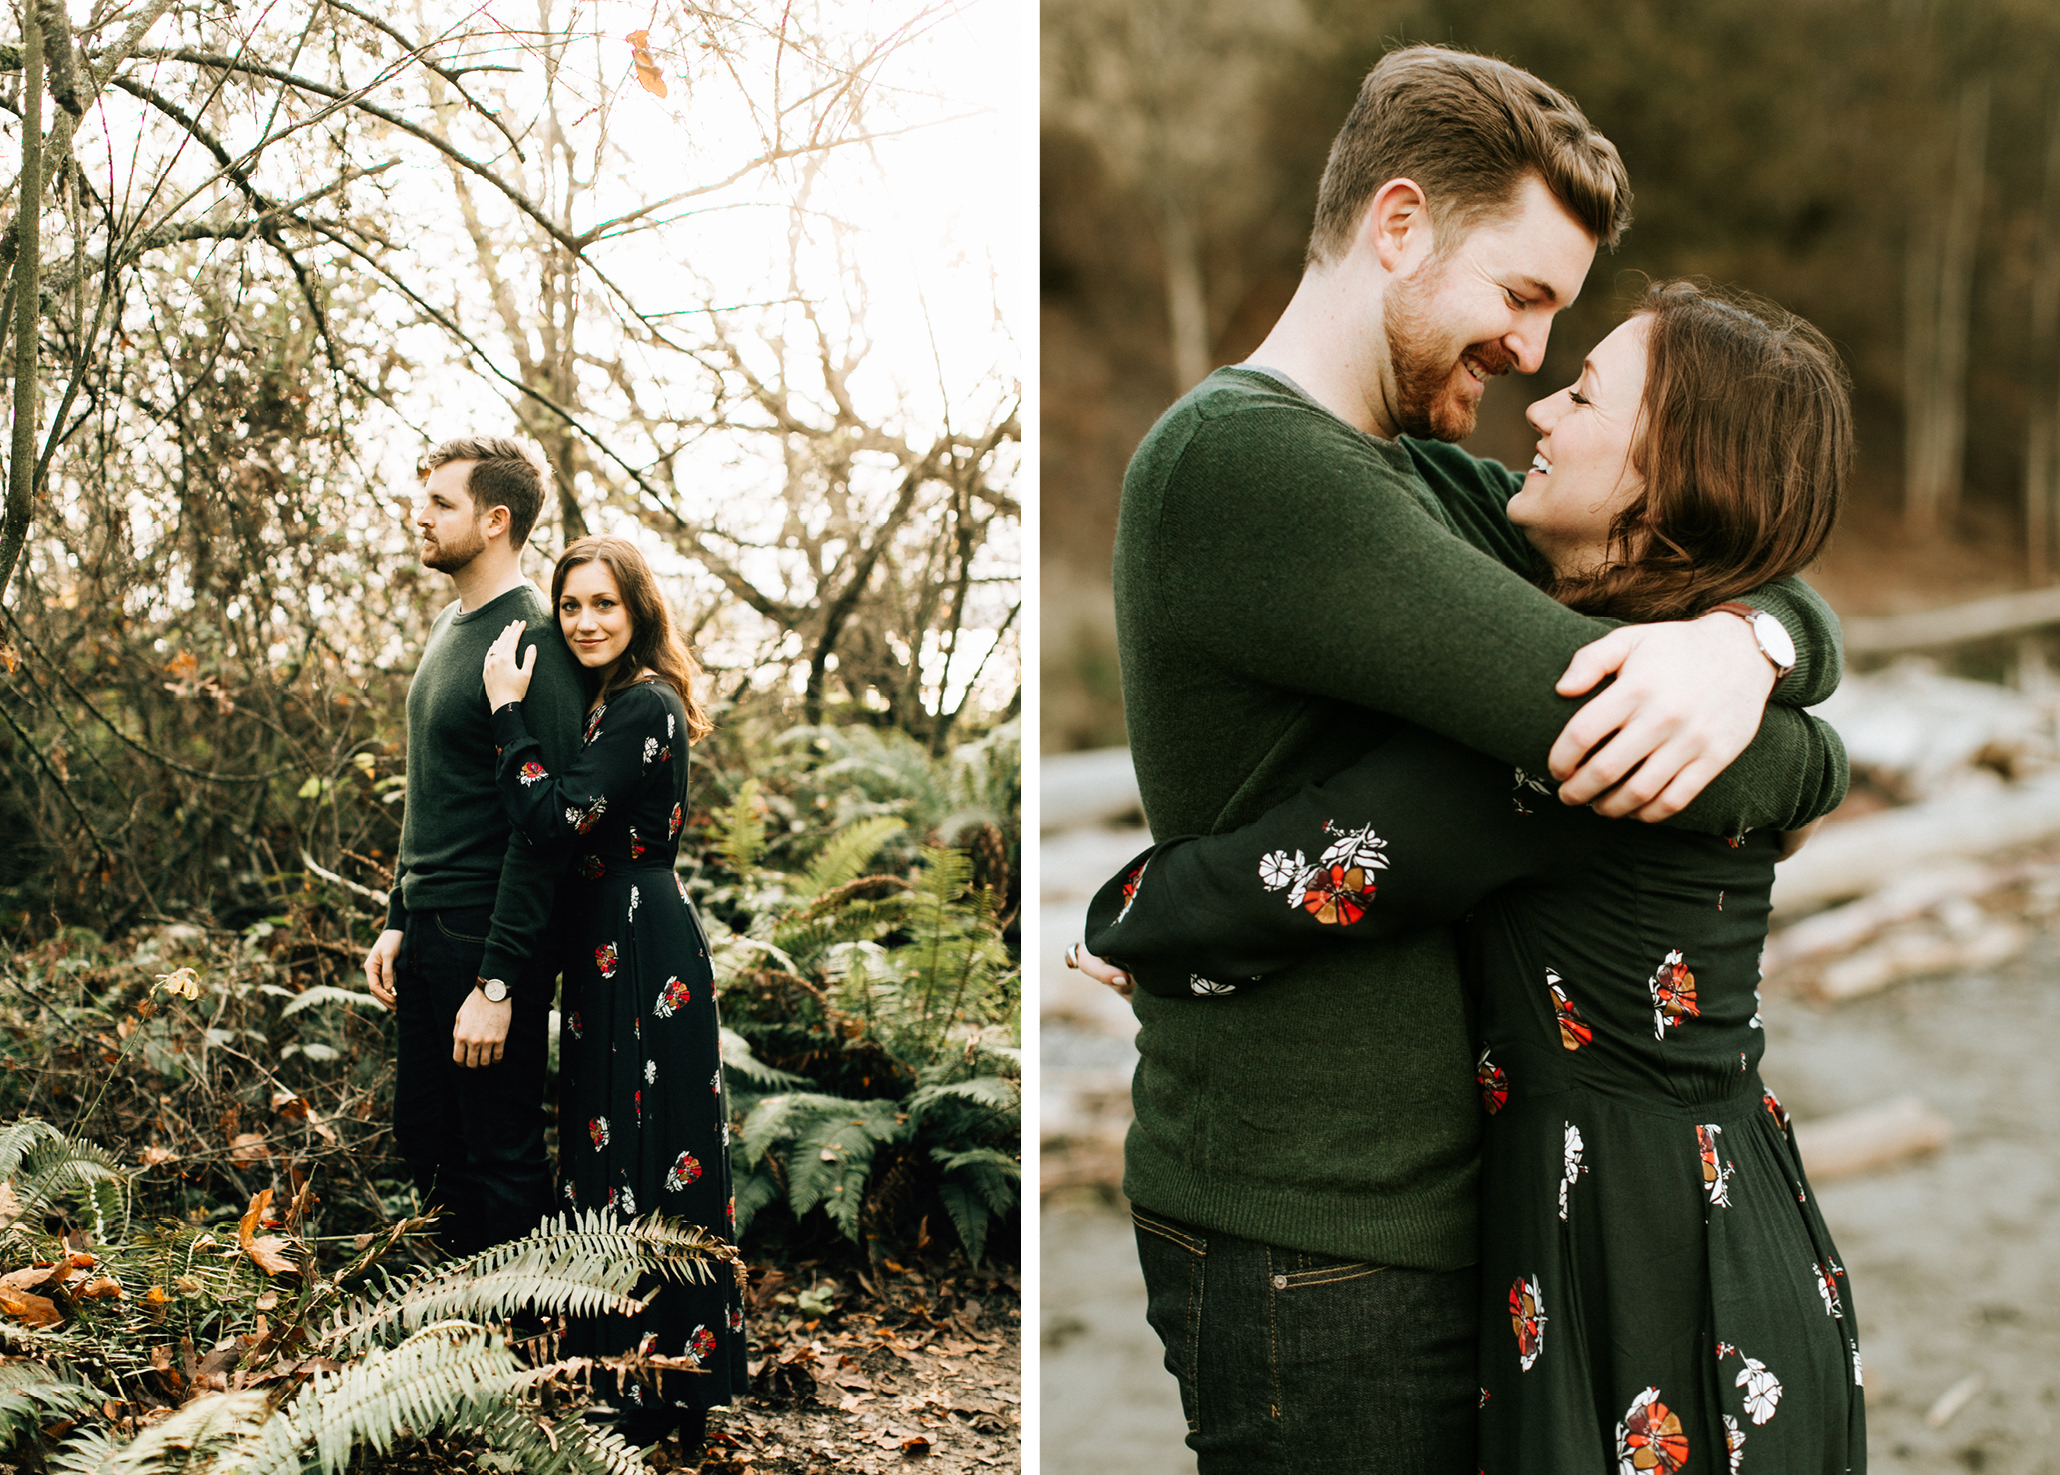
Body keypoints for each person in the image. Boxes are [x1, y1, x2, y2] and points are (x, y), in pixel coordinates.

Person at [1094, 44, 1848, 1473]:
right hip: (1321, 1239)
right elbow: (1625, 745)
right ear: (1397, 227)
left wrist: (1744, 643)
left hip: (1438, 1218)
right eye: (1521, 295)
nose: (1534, 356)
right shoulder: (1252, 466)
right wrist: (1795, 745)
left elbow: (1703, 546)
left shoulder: (1418, 478)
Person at [481, 534, 747, 1451]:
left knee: (644, 1143)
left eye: (604, 604)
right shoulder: (612, 703)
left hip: (639, 940)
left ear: (637, 610)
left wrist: (509, 717)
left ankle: (663, 1382)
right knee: (606, 1141)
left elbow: (556, 816)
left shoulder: (642, 702)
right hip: (608, 940)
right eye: (571, 606)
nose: (586, 621)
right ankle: (630, 1372)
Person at [363, 437, 583, 1258]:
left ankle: (528, 1357)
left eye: (441, 503)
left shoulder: (532, 639)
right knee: (425, 1137)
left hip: (487, 936)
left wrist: (499, 981)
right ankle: (460, 1333)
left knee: (499, 1152)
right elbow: (434, 789)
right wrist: (397, 911)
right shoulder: (450, 624)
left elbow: (545, 829)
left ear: (496, 520)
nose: (419, 514)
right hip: (428, 927)